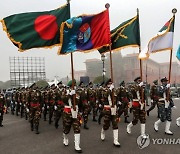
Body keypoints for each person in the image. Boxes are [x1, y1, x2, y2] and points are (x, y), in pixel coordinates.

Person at [62, 81, 82, 153]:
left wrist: (81, 111)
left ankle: (77, 146)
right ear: (70, 86)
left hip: (75, 113)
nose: (75, 86)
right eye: (73, 85)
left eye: (75, 85)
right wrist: (70, 94)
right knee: (66, 129)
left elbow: (79, 102)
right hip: (67, 113)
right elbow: (63, 100)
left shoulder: (77, 93)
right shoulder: (65, 92)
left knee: (77, 128)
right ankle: (65, 137)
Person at [100, 79, 121, 147]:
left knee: (115, 124)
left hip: (114, 109)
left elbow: (117, 97)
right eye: (109, 83)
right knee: (106, 124)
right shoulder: (104, 90)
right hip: (107, 109)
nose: (110, 84)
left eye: (111, 83)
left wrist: (118, 103)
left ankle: (115, 140)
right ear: (107, 84)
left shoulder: (114, 90)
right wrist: (109, 90)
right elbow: (104, 96)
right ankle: (103, 131)